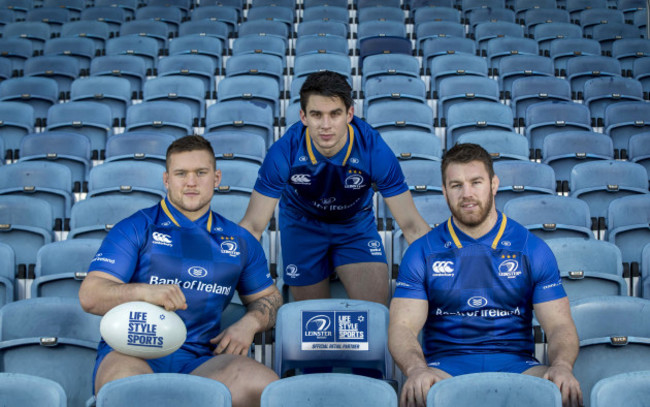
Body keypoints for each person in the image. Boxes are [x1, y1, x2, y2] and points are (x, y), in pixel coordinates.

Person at [79, 135, 282, 407]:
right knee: (129, 392)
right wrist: (144, 292)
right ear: (166, 180)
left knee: (267, 389)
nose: (191, 182)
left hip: (201, 358)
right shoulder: (137, 227)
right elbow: (90, 295)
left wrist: (250, 323)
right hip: (133, 351)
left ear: (216, 177)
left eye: (201, 173)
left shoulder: (239, 241)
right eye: (181, 173)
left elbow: (270, 299)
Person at [388, 143, 583, 407]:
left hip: (517, 365)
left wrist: (561, 365)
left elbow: (560, 326)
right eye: (456, 185)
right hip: (444, 366)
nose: (466, 194)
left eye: (475, 182)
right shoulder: (422, 252)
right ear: (444, 191)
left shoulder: (531, 249)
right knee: (417, 393)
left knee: (563, 391)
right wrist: (416, 370)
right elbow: (402, 328)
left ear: (493, 184)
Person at [239, 71, 431, 304]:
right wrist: (222, 268)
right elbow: (253, 225)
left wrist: (450, 270)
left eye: (335, 114)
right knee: (312, 325)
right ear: (303, 116)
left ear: (350, 114)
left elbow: (411, 225)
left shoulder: (374, 150)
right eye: (317, 115)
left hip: (354, 226)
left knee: (375, 313)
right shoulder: (284, 152)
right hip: (302, 226)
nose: (326, 125)